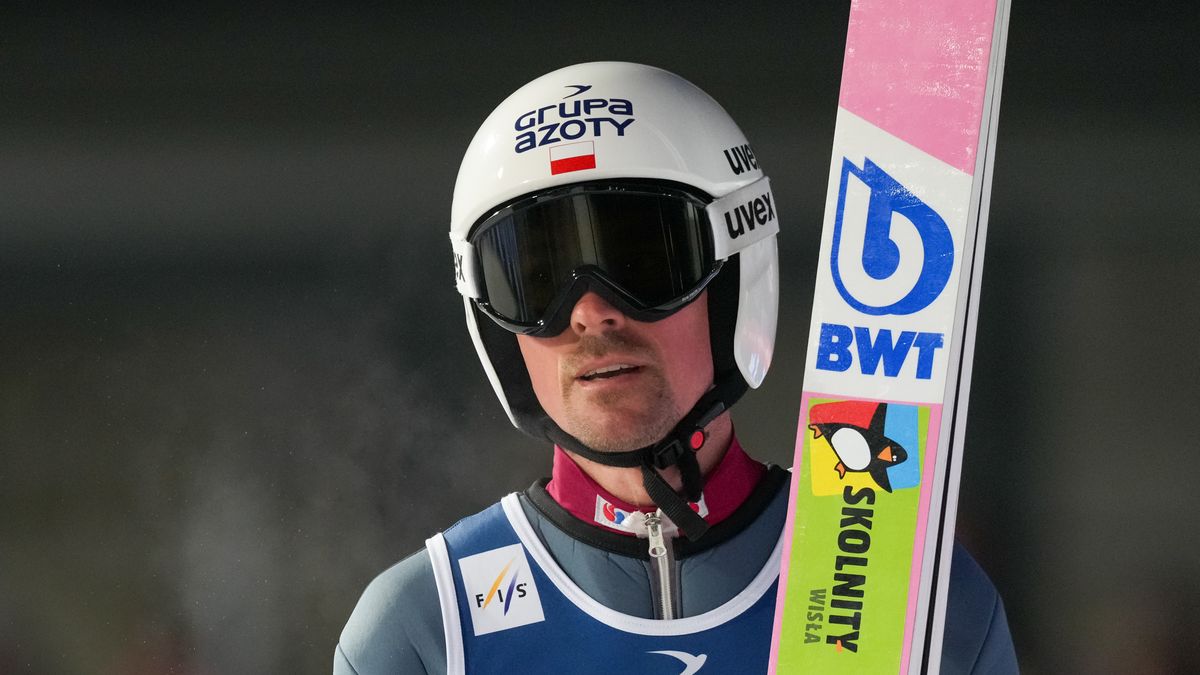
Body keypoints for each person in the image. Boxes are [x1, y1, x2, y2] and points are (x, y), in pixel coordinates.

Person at [334, 62, 1017, 674]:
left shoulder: (927, 608)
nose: (591, 312)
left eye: (643, 262)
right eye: (537, 282)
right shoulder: (428, 630)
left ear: (733, 283)